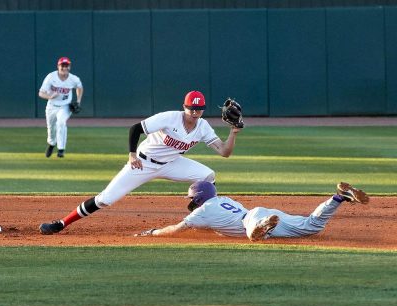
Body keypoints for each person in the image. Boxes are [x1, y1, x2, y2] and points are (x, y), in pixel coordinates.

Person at [39, 90, 242, 234]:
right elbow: (135, 128)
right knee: (105, 199)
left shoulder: (203, 127)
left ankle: (205, 216)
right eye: (191, 109)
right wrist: (132, 154)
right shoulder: (169, 118)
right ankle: (62, 223)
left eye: (199, 109)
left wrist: (233, 132)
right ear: (184, 107)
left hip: (172, 163)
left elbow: (224, 152)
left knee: (208, 175)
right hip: (143, 163)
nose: (195, 112)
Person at [134, 181, 369, 241]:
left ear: (197, 198)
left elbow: (176, 230)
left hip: (254, 220)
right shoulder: (220, 200)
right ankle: (339, 197)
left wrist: (152, 232)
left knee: (253, 235)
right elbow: (215, 226)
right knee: (312, 227)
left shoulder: (200, 212)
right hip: (257, 212)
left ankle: (264, 226)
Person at [39, 57, 84, 158]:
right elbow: (41, 93)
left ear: (69, 67)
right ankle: (51, 144)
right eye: (62, 66)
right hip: (51, 106)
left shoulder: (74, 79)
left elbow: (79, 87)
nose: (64, 68)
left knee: (61, 122)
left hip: (65, 106)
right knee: (51, 128)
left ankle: (61, 149)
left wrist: (78, 101)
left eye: (66, 65)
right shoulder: (51, 77)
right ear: (58, 66)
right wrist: (49, 96)